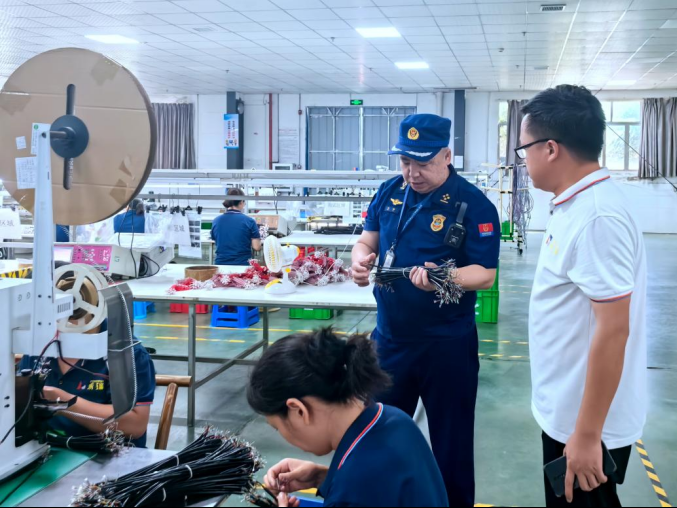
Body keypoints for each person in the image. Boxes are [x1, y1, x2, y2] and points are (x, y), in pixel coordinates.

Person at [350, 114, 501, 507]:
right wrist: (359, 260)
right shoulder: (389, 191)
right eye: (405, 162)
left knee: (451, 445)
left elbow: (485, 274)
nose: (412, 173)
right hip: (390, 341)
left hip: (446, 345)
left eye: (423, 163)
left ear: (447, 156)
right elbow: (367, 240)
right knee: (377, 435)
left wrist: (445, 278)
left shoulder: (474, 204)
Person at [518, 85, 647, 507]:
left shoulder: (596, 217)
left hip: (586, 425)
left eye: (524, 149)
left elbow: (614, 330)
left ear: (550, 148)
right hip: (569, 410)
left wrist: (588, 434)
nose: (524, 160)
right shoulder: (574, 205)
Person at [248, 328, 448, 508]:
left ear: (298, 410)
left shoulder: (349, 496)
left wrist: (341, 487)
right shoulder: (395, 419)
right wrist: (324, 477)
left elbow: (358, 492)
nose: (283, 436)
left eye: (277, 427)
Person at [17, 290, 156, 447]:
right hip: (48, 449)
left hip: (109, 454)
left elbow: (135, 424)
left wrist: (63, 402)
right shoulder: (39, 346)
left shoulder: (125, 352)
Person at [210, 188, 262, 266]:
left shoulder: (216, 221)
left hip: (221, 264)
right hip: (242, 265)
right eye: (244, 202)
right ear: (241, 202)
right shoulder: (249, 221)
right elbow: (256, 247)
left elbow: (215, 239)